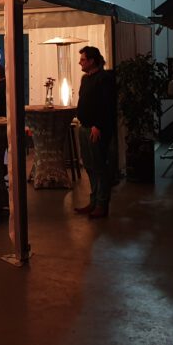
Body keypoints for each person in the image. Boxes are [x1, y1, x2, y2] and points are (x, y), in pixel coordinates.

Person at [75, 45, 117, 218]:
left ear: (92, 61)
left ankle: (101, 204)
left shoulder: (104, 79)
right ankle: (93, 201)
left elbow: (107, 105)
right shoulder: (86, 79)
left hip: (96, 129)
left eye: (83, 59)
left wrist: (97, 125)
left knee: (99, 166)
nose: (80, 63)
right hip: (84, 127)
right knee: (89, 166)